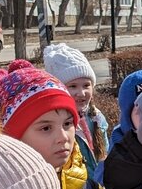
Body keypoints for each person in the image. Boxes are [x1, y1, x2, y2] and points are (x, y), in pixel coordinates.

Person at [0, 60, 91, 189]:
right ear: (14, 137)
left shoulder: (86, 186)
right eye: (46, 128)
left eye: (67, 124)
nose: (63, 137)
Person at [42, 42, 108, 175]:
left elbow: (105, 154)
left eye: (86, 85)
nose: (81, 93)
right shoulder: (55, 125)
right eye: (73, 86)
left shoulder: (97, 117)